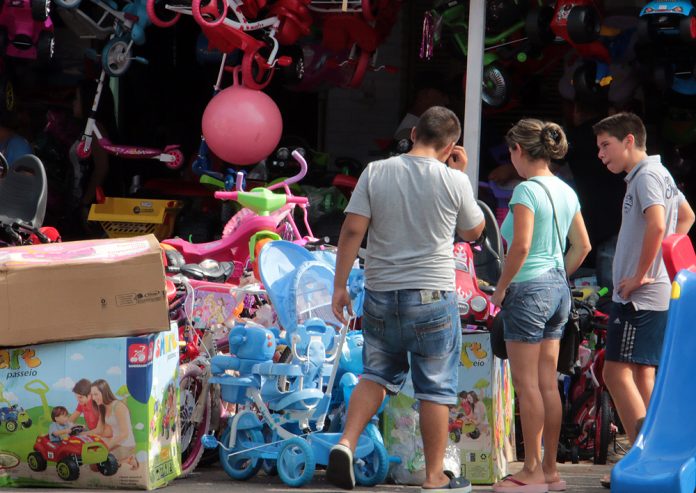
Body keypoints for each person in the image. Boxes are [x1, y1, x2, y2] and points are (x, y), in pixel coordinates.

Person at [328, 106, 485, 492]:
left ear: (413, 134)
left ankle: (346, 443)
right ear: (451, 146)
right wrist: (459, 176)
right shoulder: (454, 180)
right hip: (432, 298)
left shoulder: (376, 171)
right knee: (435, 388)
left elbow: (352, 231)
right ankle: (434, 477)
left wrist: (340, 285)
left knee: (376, 375)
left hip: (381, 294)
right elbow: (474, 231)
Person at [592, 112, 695, 488]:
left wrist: (641, 273)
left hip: (639, 297)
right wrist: (667, 263)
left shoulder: (647, 176)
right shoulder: (659, 173)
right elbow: (685, 216)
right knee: (642, 376)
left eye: (606, 145)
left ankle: (643, 457)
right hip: (651, 294)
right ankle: (662, 455)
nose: (602, 155)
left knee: (614, 373)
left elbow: (657, 222)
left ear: (630, 140)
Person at [490, 119, 591, 493]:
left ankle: (530, 470)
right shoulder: (565, 190)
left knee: (526, 384)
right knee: (548, 383)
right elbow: (582, 246)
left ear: (519, 150)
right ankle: (549, 470)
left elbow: (520, 246)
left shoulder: (525, 191)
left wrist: (501, 289)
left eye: (510, 152)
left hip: (528, 289)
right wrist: (554, 276)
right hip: (558, 288)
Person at [90, 379, 139, 470]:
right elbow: (98, 430)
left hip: (125, 443)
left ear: (104, 392)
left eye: (96, 394)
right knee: (92, 463)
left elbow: (124, 434)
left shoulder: (118, 406)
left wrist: (107, 446)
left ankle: (128, 459)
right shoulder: (102, 407)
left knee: (98, 466)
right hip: (114, 441)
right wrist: (80, 434)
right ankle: (120, 460)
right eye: (92, 395)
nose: (93, 398)